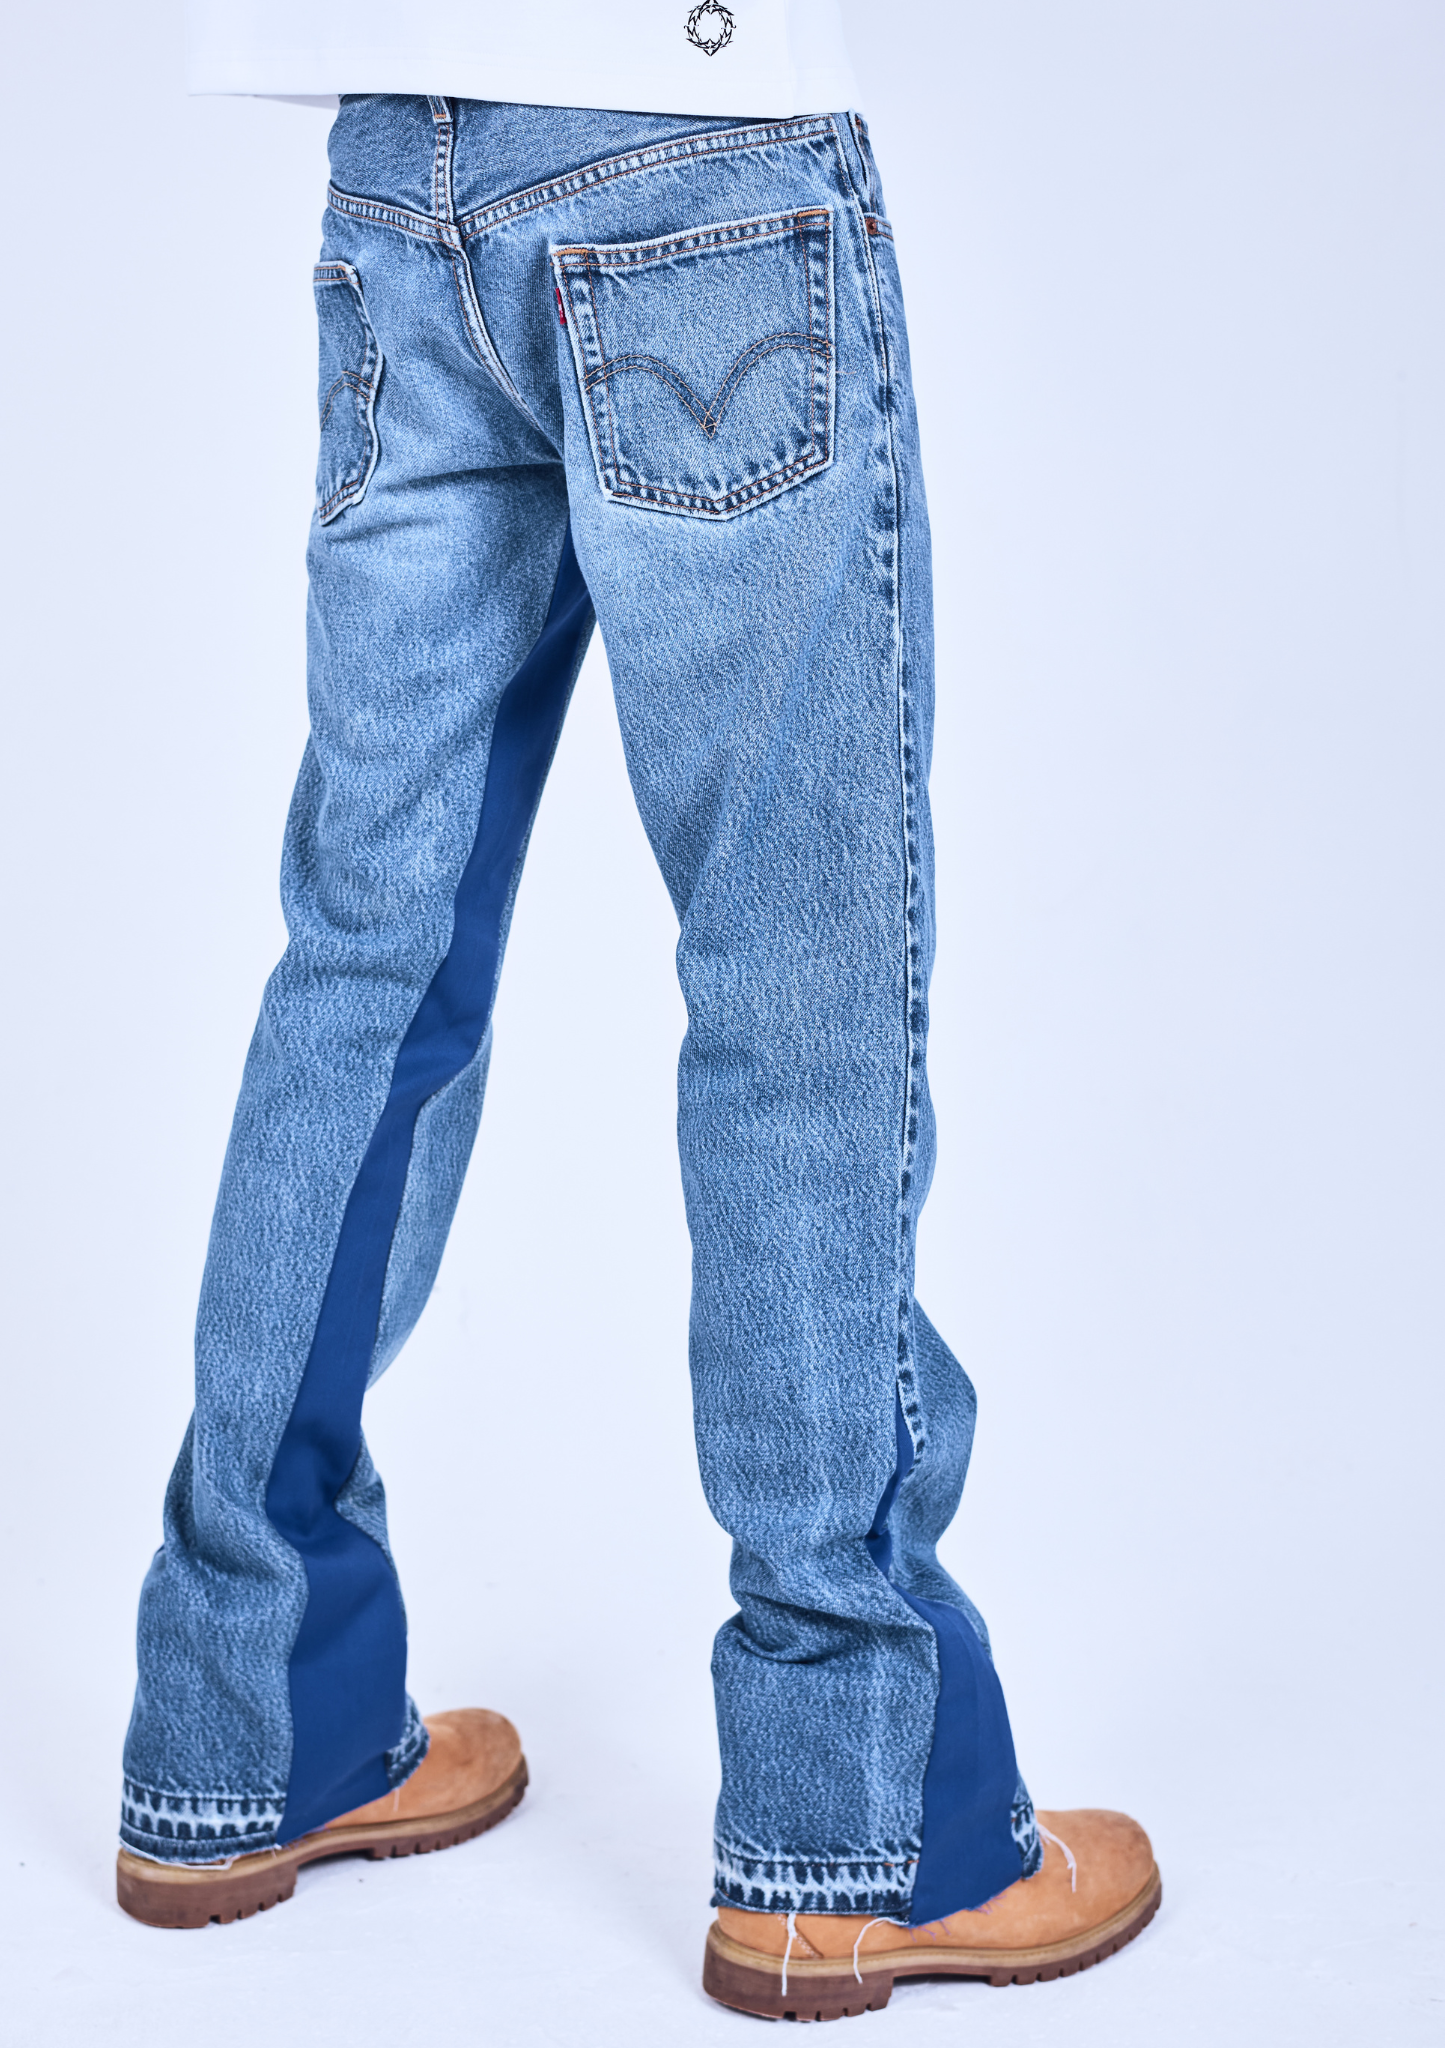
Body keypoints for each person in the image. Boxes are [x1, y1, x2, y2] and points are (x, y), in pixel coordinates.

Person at [115, 0, 1159, 2017]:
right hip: (694, 144)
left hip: (400, 172)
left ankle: (243, 1735)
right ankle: (860, 1835)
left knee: (364, 960)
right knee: (795, 995)